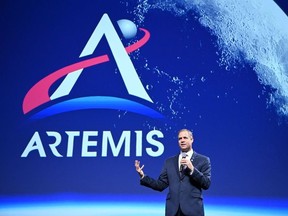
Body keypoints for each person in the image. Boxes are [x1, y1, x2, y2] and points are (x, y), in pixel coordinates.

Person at [135, 129, 211, 216]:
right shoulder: (169, 162)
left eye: (185, 138)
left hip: (193, 210)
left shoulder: (203, 160)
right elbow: (160, 185)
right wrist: (143, 176)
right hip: (173, 211)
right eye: (180, 138)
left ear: (192, 139)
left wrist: (192, 169)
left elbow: (206, 184)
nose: (182, 140)